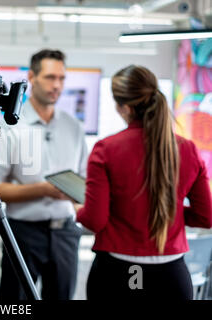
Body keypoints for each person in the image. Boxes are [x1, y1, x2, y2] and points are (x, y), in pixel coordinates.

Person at [73, 65, 212, 300]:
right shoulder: (187, 149)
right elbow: (206, 216)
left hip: (116, 272)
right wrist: (169, 211)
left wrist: (77, 209)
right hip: (171, 276)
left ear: (124, 108)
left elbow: (95, 220)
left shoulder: (106, 150)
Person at [0, 49, 87, 300]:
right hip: (22, 233)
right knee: (15, 303)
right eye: (50, 77)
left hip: (66, 233)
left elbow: (86, 184)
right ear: (32, 77)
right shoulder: (8, 126)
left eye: (62, 78)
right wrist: (44, 190)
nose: (57, 85)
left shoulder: (73, 127)